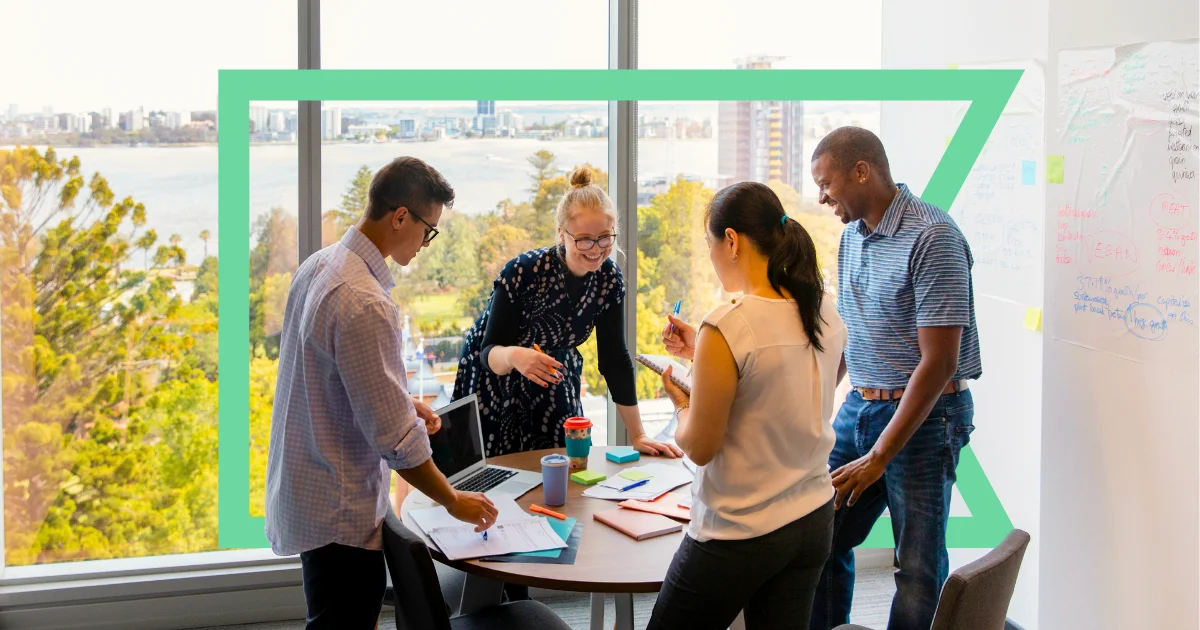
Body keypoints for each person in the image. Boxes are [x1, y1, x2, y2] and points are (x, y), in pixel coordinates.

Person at [265, 157, 500, 630]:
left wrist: (401, 403)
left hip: (307, 487)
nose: (426, 243)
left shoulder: (320, 266)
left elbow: (326, 379)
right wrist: (453, 499)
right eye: (428, 230)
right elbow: (397, 440)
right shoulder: (365, 300)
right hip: (341, 507)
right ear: (400, 217)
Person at [646, 182, 847, 630]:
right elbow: (791, 387)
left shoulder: (729, 323)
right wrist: (707, 355)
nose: (713, 257)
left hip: (740, 530)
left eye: (710, 244)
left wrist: (682, 403)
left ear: (732, 241)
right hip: (811, 518)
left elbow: (698, 446)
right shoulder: (825, 310)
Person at [807, 127, 982, 630]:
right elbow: (853, 331)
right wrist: (816, 400)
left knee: (918, 567)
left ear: (862, 171)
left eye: (826, 184)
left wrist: (880, 456)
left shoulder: (933, 236)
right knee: (822, 535)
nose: (822, 198)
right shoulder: (851, 237)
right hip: (861, 407)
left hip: (929, 415)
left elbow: (940, 361)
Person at [453, 166, 681, 460]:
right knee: (501, 474)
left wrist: (637, 435)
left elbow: (614, 360)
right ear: (562, 234)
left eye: (605, 238)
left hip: (554, 373)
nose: (596, 249)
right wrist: (514, 356)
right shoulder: (523, 272)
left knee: (564, 464)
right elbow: (488, 351)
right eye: (584, 239)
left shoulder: (609, 280)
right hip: (496, 376)